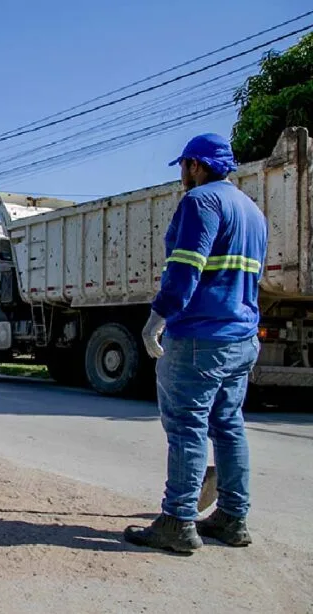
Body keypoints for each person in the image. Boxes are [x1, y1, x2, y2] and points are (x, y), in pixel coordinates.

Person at [124, 133, 267, 553]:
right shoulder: (253, 211)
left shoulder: (200, 202)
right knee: (229, 426)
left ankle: (178, 521)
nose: (183, 175)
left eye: (185, 166)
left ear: (197, 166)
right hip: (240, 337)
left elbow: (186, 267)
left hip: (199, 336)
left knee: (188, 427)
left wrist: (158, 317)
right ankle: (233, 517)